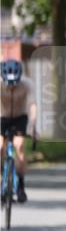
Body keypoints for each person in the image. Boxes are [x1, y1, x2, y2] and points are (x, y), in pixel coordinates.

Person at [0, 60, 36, 203]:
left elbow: (32, 105)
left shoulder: (27, 84)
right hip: (2, 117)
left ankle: (20, 185)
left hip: (20, 118)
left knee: (19, 146)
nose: (11, 86)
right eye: (9, 83)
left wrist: (33, 126)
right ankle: (2, 180)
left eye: (14, 82)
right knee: (0, 147)